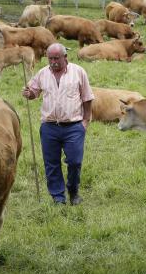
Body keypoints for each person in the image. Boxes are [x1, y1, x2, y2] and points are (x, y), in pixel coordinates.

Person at [22, 43, 94, 205]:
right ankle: (58, 197)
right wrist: (29, 93)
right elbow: (33, 92)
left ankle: (73, 191)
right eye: (50, 58)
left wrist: (85, 121)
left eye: (56, 58)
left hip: (74, 126)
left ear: (65, 57)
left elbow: (87, 97)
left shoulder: (78, 72)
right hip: (49, 126)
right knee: (51, 163)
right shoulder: (42, 73)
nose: (53, 62)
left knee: (75, 162)